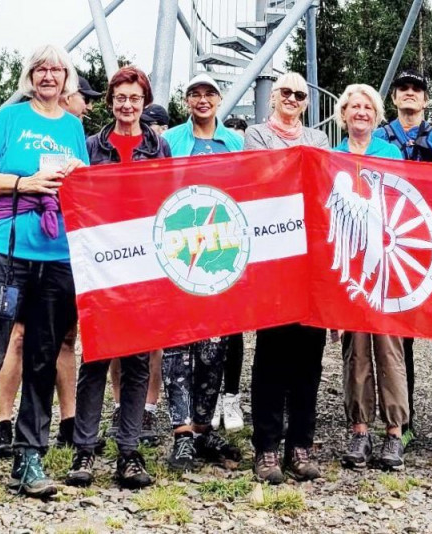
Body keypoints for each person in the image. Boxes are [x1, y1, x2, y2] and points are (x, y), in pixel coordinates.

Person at [0, 44, 88, 512]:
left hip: (57, 253)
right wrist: (23, 184)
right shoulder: (8, 119)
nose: (49, 75)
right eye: (40, 68)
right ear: (30, 75)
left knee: (43, 358)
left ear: (67, 78)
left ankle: (30, 455)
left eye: (57, 69)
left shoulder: (73, 127)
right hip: (2, 249)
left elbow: (83, 188)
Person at [65, 66, 169, 490]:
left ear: (144, 104)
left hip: (142, 261)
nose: (127, 105)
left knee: (138, 360)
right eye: (120, 98)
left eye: (135, 99)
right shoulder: (90, 146)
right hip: (101, 262)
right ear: (110, 102)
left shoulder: (157, 147)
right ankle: (85, 449)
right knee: (96, 355)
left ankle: (129, 451)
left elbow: (167, 198)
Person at [0, 74, 101, 457]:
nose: (86, 105)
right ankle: (3, 423)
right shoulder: (17, 120)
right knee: (18, 337)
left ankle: (66, 423)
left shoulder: (76, 135)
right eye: (83, 97)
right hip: (21, 247)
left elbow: (87, 193)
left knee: (62, 341)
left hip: (62, 251)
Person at [373, 69, 432, 457]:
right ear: (394, 98)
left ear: (426, 99)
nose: (410, 94)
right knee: (401, 342)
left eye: (417, 90)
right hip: (396, 249)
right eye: (403, 89)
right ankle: (403, 422)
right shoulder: (380, 138)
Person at [244, 72, 329, 484]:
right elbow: (263, 177)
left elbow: (323, 185)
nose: (292, 98)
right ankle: (266, 447)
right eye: (286, 92)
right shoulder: (256, 134)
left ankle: (301, 443)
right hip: (274, 256)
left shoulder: (319, 140)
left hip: (312, 258)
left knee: (309, 359)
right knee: (272, 355)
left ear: (307, 102)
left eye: (300, 94)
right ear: (273, 96)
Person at [158, 73, 244, 470]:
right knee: (177, 346)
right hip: (177, 250)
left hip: (222, 254)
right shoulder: (170, 141)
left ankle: (204, 428)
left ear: (220, 98)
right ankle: (181, 433)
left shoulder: (235, 143)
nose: (203, 99)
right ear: (187, 99)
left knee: (214, 348)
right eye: (195, 93)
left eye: (209, 93)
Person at [331, 84, 408, 472]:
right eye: (354, 106)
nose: (360, 112)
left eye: (367, 107)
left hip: (387, 263)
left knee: (389, 349)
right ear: (343, 114)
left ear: (376, 116)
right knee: (355, 349)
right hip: (348, 263)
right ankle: (359, 428)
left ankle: (395, 432)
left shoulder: (390, 154)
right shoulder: (332, 158)